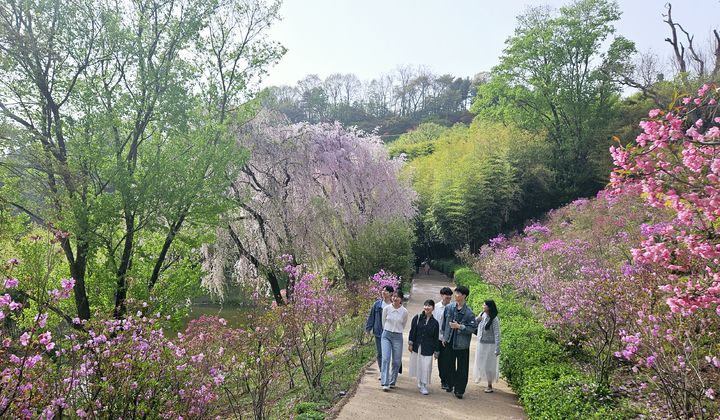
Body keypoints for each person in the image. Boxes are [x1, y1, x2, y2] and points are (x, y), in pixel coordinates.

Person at [440, 285, 476, 399]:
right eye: (455, 293)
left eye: (458, 294)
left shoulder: (469, 313)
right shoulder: (449, 308)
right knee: (449, 365)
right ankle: (450, 385)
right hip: (450, 341)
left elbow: (472, 329)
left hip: (462, 345)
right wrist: (444, 338)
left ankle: (459, 390)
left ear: (464, 296)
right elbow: (444, 324)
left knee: (462, 368)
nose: (455, 295)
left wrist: (459, 326)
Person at [408, 299, 440, 395]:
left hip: (428, 348)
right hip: (418, 346)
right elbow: (412, 331)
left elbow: (436, 337)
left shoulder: (435, 323)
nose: (427, 307)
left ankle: (424, 384)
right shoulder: (417, 318)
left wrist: (436, 351)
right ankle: (420, 381)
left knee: (426, 366)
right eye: (425, 305)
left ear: (433, 308)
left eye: (429, 305)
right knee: (419, 365)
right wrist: (410, 343)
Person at [380, 290, 408, 391]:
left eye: (397, 297)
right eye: (394, 296)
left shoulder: (404, 311)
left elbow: (403, 324)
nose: (395, 298)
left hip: (397, 336)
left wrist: (396, 331)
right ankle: (385, 382)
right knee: (386, 358)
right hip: (386, 335)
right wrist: (387, 330)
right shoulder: (386, 309)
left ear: (401, 299)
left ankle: (392, 381)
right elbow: (383, 322)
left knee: (396, 361)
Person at [365, 285, 394, 378]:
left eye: (386, 291)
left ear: (391, 293)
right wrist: (368, 329)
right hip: (378, 332)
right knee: (380, 353)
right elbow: (371, 317)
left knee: (388, 353)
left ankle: (388, 370)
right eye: (383, 290)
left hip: (390, 332)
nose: (383, 292)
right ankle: (383, 371)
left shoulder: (393, 305)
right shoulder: (377, 304)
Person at [474, 299, 500, 393]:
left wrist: (497, 348)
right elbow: (474, 323)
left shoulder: (494, 319)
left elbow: (497, 334)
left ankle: (489, 384)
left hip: (490, 345)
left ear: (489, 307)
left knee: (489, 365)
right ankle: (479, 376)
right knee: (479, 361)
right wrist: (478, 319)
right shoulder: (482, 314)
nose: (483, 306)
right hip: (481, 343)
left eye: (484, 305)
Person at [433, 287, 453, 390]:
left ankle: (446, 381)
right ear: (442, 295)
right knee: (440, 360)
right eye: (446, 294)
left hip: (448, 338)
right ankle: (443, 380)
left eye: (450, 295)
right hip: (438, 338)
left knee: (447, 360)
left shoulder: (453, 307)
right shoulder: (436, 307)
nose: (448, 297)